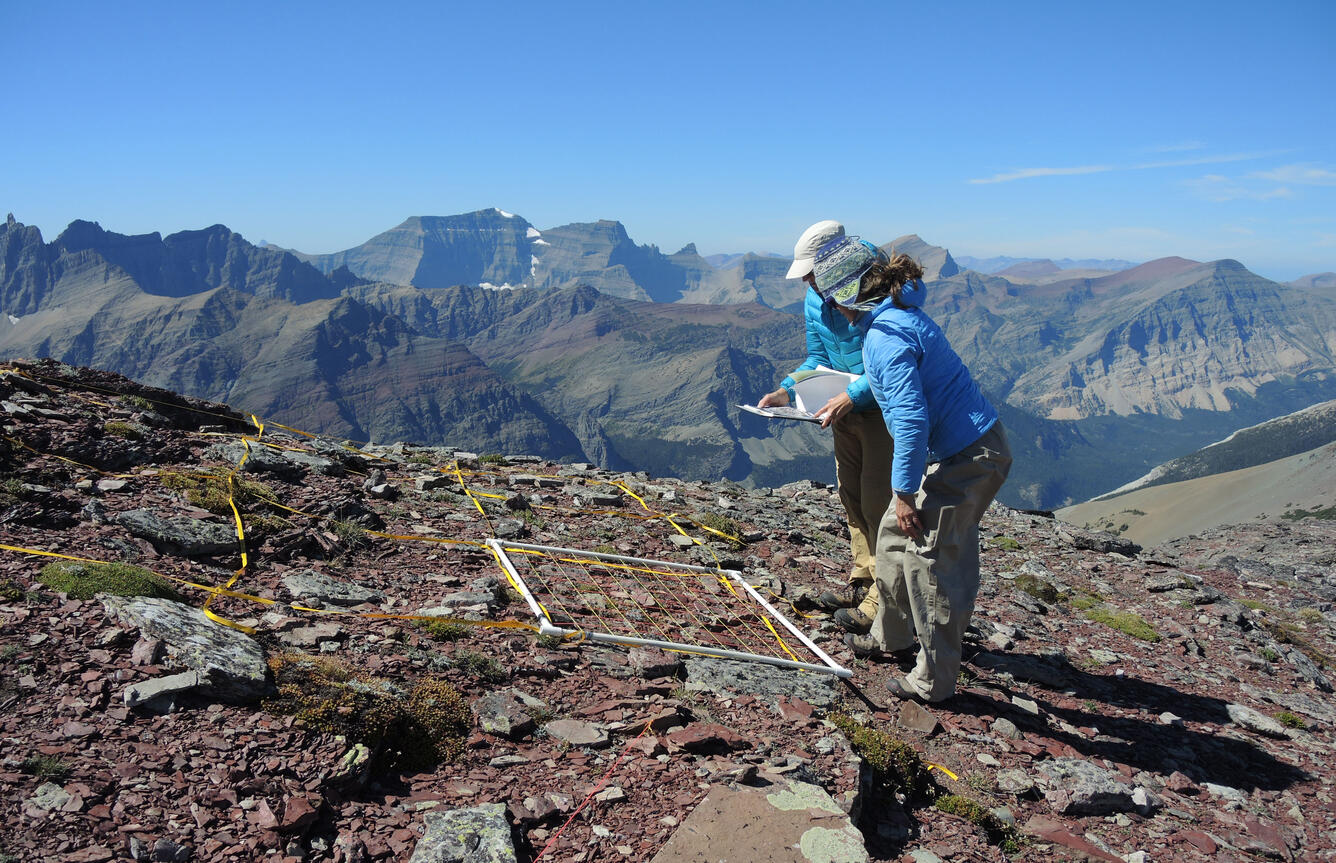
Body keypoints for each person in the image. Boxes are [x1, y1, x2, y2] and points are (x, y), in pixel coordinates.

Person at [810, 234, 1012, 704]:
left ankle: (933, 681)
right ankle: (890, 636)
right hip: (963, 449)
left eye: (830, 298)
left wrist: (903, 491)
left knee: (931, 559)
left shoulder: (884, 337)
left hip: (971, 456)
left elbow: (912, 418)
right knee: (892, 535)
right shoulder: (897, 316)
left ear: (849, 296)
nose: (830, 309)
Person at [757, 220, 894, 633]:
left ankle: (883, 601)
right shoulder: (815, 300)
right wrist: (786, 390)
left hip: (879, 412)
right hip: (842, 411)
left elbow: (890, 363)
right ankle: (863, 578)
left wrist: (852, 397)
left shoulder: (877, 292)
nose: (809, 284)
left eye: (812, 274)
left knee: (878, 503)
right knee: (851, 496)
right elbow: (816, 358)